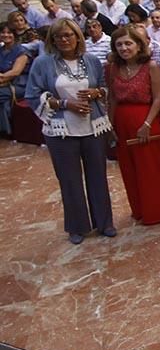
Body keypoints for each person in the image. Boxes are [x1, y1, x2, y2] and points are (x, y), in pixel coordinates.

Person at [25, 19, 114, 244]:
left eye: (68, 35)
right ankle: (77, 226)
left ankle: (104, 222)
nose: (64, 40)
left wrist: (96, 92)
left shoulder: (92, 60)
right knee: (69, 179)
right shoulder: (42, 63)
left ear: (77, 36)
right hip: (61, 130)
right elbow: (33, 95)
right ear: (52, 40)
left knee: (98, 177)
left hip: (93, 127)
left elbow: (105, 88)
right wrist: (65, 104)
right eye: (58, 36)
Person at [106, 25, 160, 224]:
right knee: (128, 168)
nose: (124, 48)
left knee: (149, 169)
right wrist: (110, 123)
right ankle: (138, 209)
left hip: (145, 119)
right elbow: (113, 98)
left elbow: (158, 97)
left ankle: (155, 212)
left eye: (128, 43)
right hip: (122, 120)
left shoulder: (151, 66)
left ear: (139, 45)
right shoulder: (113, 68)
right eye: (119, 45)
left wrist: (147, 123)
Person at [0, 24, 31, 136]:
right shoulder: (0, 50)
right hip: (3, 83)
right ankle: (5, 129)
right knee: (3, 102)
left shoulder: (22, 52)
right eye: (3, 32)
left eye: (9, 33)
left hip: (18, 85)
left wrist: (2, 79)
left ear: (14, 35)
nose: (5, 35)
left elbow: (15, 72)